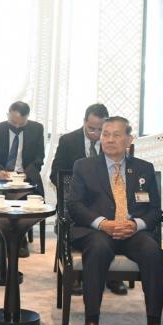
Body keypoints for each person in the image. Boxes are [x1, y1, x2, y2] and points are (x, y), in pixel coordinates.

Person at [66, 116, 163, 325]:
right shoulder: (84, 166)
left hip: (133, 231)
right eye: (105, 134)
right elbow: (74, 205)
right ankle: (91, 321)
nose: (109, 139)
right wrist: (103, 223)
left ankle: (154, 323)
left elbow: (155, 210)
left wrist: (136, 225)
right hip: (98, 231)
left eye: (116, 135)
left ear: (129, 139)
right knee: (98, 249)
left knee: (153, 252)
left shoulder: (144, 168)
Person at [50, 103, 127, 297]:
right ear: (84, 122)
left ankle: (113, 275)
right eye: (91, 128)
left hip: (106, 206)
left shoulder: (114, 143)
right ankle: (75, 273)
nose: (96, 134)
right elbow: (55, 174)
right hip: (75, 204)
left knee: (115, 222)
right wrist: (77, 191)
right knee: (79, 222)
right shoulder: (68, 141)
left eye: (101, 130)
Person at [0, 101, 45, 254]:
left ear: (27, 118)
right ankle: (9, 238)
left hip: (26, 178)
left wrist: (26, 173)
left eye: (21, 124)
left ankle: (19, 238)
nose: (17, 126)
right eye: (13, 122)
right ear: (8, 115)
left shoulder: (37, 129)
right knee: (3, 196)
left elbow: (39, 159)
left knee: (23, 195)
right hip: (1, 179)